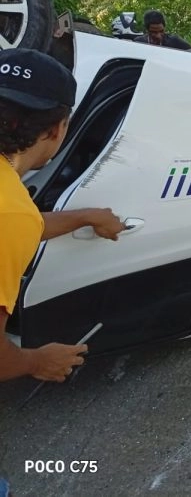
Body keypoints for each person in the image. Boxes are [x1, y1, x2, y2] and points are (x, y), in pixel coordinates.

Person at [0, 48, 126, 384]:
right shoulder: (11, 213)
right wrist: (35, 361)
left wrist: (85, 216)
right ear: (58, 130)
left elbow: (20, 225)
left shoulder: (13, 211)